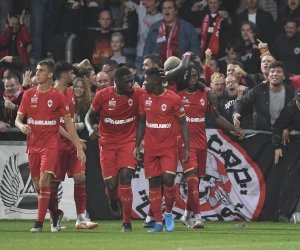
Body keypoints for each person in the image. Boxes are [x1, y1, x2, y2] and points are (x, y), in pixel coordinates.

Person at [15, 60, 86, 233]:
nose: (37, 73)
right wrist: (20, 126)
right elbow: (18, 119)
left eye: (41, 71)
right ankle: (56, 213)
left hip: (50, 146)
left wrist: (78, 146)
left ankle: (38, 223)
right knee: (39, 188)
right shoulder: (28, 94)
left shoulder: (58, 96)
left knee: (46, 180)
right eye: (37, 70)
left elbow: (68, 124)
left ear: (50, 74)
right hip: (33, 146)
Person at [177, 64, 244, 229]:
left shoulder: (204, 95)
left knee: (197, 180)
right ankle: (198, 218)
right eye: (189, 76)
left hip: (201, 142)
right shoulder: (177, 95)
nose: (192, 80)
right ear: (183, 78)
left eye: (195, 76)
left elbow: (217, 117)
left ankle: (186, 215)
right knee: (192, 179)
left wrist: (234, 128)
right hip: (185, 142)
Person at [85, 67, 144, 232]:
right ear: (117, 82)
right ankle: (112, 198)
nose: (131, 84)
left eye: (132, 81)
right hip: (107, 144)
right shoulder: (103, 95)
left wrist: (138, 142)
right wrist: (90, 129)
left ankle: (126, 222)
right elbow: (89, 115)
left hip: (128, 142)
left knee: (126, 178)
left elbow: (147, 109)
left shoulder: (137, 94)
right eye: (128, 82)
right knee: (111, 185)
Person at [134, 67, 190, 233]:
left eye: (147, 81)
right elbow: (142, 123)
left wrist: (187, 147)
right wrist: (137, 145)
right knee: (153, 183)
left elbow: (183, 123)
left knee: (168, 180)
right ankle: (158, 223)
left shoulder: (173, 98)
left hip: (168, 148)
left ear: (156, 82)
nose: (145, 83)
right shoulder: (144, 98)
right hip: (151, 150)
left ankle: (168, 214)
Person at [49, 61, 98, 232]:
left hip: (71, 145)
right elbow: (56, 125)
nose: (73, 77)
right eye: (71, 74)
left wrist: (76, 142)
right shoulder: (50, 95)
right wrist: (75, 139)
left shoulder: (70, 92)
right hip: (56, 145)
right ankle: (54, 218)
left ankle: (80, 218)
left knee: (80, 177)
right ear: (64, 76)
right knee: (53, 185)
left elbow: (68, 121)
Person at [233, 61, 295, 131]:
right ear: (268, 76)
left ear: (284, 76)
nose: (275, 74)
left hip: (282, 132)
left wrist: (289, 128)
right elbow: (241, 102)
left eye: (278, 71)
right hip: (262, 132)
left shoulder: (289, 91)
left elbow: (294, 114)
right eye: (272, 71)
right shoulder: (259, 89)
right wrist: (236, 113)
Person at [73, 77, 92, 141]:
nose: (78, 89)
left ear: (85, 90)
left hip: (84, 135)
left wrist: (78, 125)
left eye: (81, 87)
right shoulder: (67, 101)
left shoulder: (89, 104)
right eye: (76, 86)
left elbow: (90, 120)